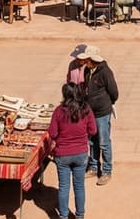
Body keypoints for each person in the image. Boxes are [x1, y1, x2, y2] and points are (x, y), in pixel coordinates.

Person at [48, 82, 97, 219]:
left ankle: (63, 216)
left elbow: (52, 133)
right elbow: (93, 130)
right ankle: (80, 215)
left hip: (62, 154)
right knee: (79, 186)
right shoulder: (86, 109)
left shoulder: (59, 111)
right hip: (81, 154)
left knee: (64, 187)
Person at [77, 46, 118, 186]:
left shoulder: (105, 72)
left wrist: (106, 103)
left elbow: (114, 92)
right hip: (90, 112)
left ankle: (106, 170)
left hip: (102, 113)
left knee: (104, 142)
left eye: (87, 60)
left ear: (92, 60)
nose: (85, 63)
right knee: (92, 141)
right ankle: (93, 167)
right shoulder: (88, 71)